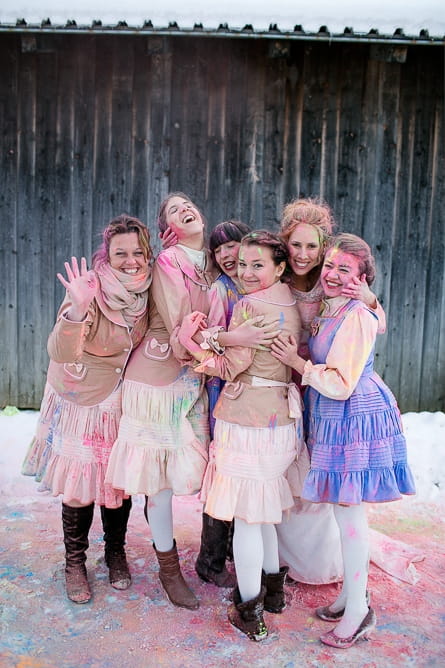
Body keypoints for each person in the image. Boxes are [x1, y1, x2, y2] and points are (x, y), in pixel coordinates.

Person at [105, 195, 274, 610]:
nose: (184, 207)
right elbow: (184, 327)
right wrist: (238, 340)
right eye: (171, 208)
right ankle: (168, 571)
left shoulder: (215, 264)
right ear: (167, 227)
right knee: (159, 485)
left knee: (191, 476)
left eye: (188, 203)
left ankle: (233, 560)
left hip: (193, 380)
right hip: (157, 380)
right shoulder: (167, 263)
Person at [271, 233, 416, 648]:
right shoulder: (334, 306)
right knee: (340, 514)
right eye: (330, 265)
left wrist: (297, 363)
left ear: (363, 279)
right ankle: (351, 596)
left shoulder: (357, 314)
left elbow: (339, 382)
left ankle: (359, 611)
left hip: (354, 417)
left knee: (350, 517)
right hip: (334, 417)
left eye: (345, 270)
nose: (333, 275)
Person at [177, 230, 304, 642]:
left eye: (258, 264)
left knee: (248, 518)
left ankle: (248, 609)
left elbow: (230, 366)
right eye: (243, 264)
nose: (247, 272)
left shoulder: (249, 304)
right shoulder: (290, 298)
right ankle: (272, 592)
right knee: (262, 509)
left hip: (248, 421)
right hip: (280, 420)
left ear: (279, 266)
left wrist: (194, 343)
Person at [22, 214, 152, 604]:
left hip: (123, 399)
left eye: (137, 253)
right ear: (106, 255)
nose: (130, 261)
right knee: (80, 482)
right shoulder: (91, 287)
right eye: (120, 253)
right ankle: (74, 562)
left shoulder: (149, 289)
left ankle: (115, 553)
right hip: (82, 395)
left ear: (148, 254)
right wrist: (77, 309)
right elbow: (60, 351)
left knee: (118, 479)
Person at [276, 197, 386, 585]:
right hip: (286, 382)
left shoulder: (335, 283)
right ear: (284, 245)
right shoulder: (275, 278)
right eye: (296, 245)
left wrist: (369, 298)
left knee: (324, 474)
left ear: (323, 250)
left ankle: (323, 563)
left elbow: (375, 322)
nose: (303, 255)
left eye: (312, 247)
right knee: (289, 469)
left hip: (324, 383)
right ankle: (281, 557)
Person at [195, 220, 251, 588]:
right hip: (224, 387)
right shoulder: (221, 290)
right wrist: (235, 338)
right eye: (219, 250)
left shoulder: (258, 284)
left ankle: (235, 548)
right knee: (224, 470)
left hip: (256, 395)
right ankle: (210, 559)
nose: (228, 255)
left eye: (233, 246)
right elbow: (207, 341)